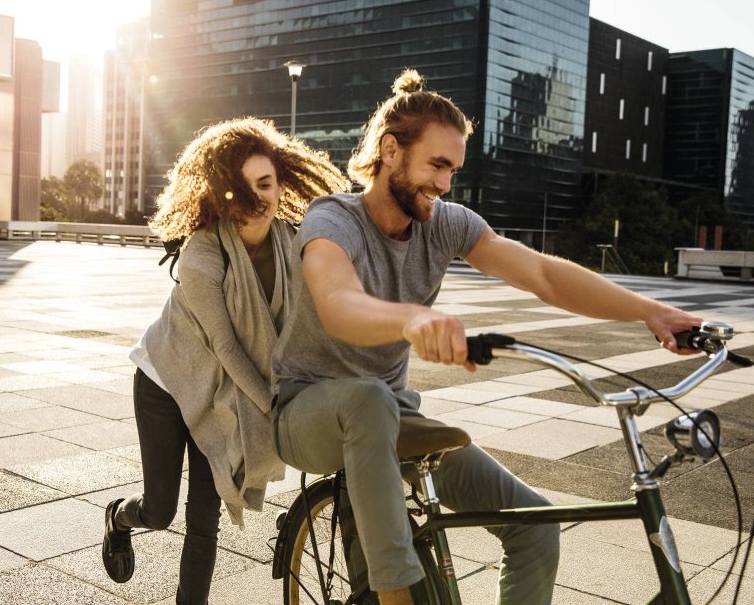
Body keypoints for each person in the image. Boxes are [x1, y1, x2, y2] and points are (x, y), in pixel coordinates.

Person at [269, 69, 702, 605]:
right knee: (367, 398)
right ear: (389, 151)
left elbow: (542, 273)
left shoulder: (445, 222)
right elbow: (338, 304)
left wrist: (651, 312)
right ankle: (395, 596)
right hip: (307, 409)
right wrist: (410, 319)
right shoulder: (333, 219)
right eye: (437, 165)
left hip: (394, 414)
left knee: (536, 524)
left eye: (453, 169)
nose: (446, 183)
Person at [102, 117, 349, 604]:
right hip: (167, 383)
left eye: (265, 184)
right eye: (241, 188)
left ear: (282, 185)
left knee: (203, 519)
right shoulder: (201, 254)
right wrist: (274, 405)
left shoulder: (292, 244)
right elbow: (227, 347)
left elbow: (310, 320)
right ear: (221, 192)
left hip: (221, 390)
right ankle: (118, 517)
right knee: (161, 510)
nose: (256, 200)